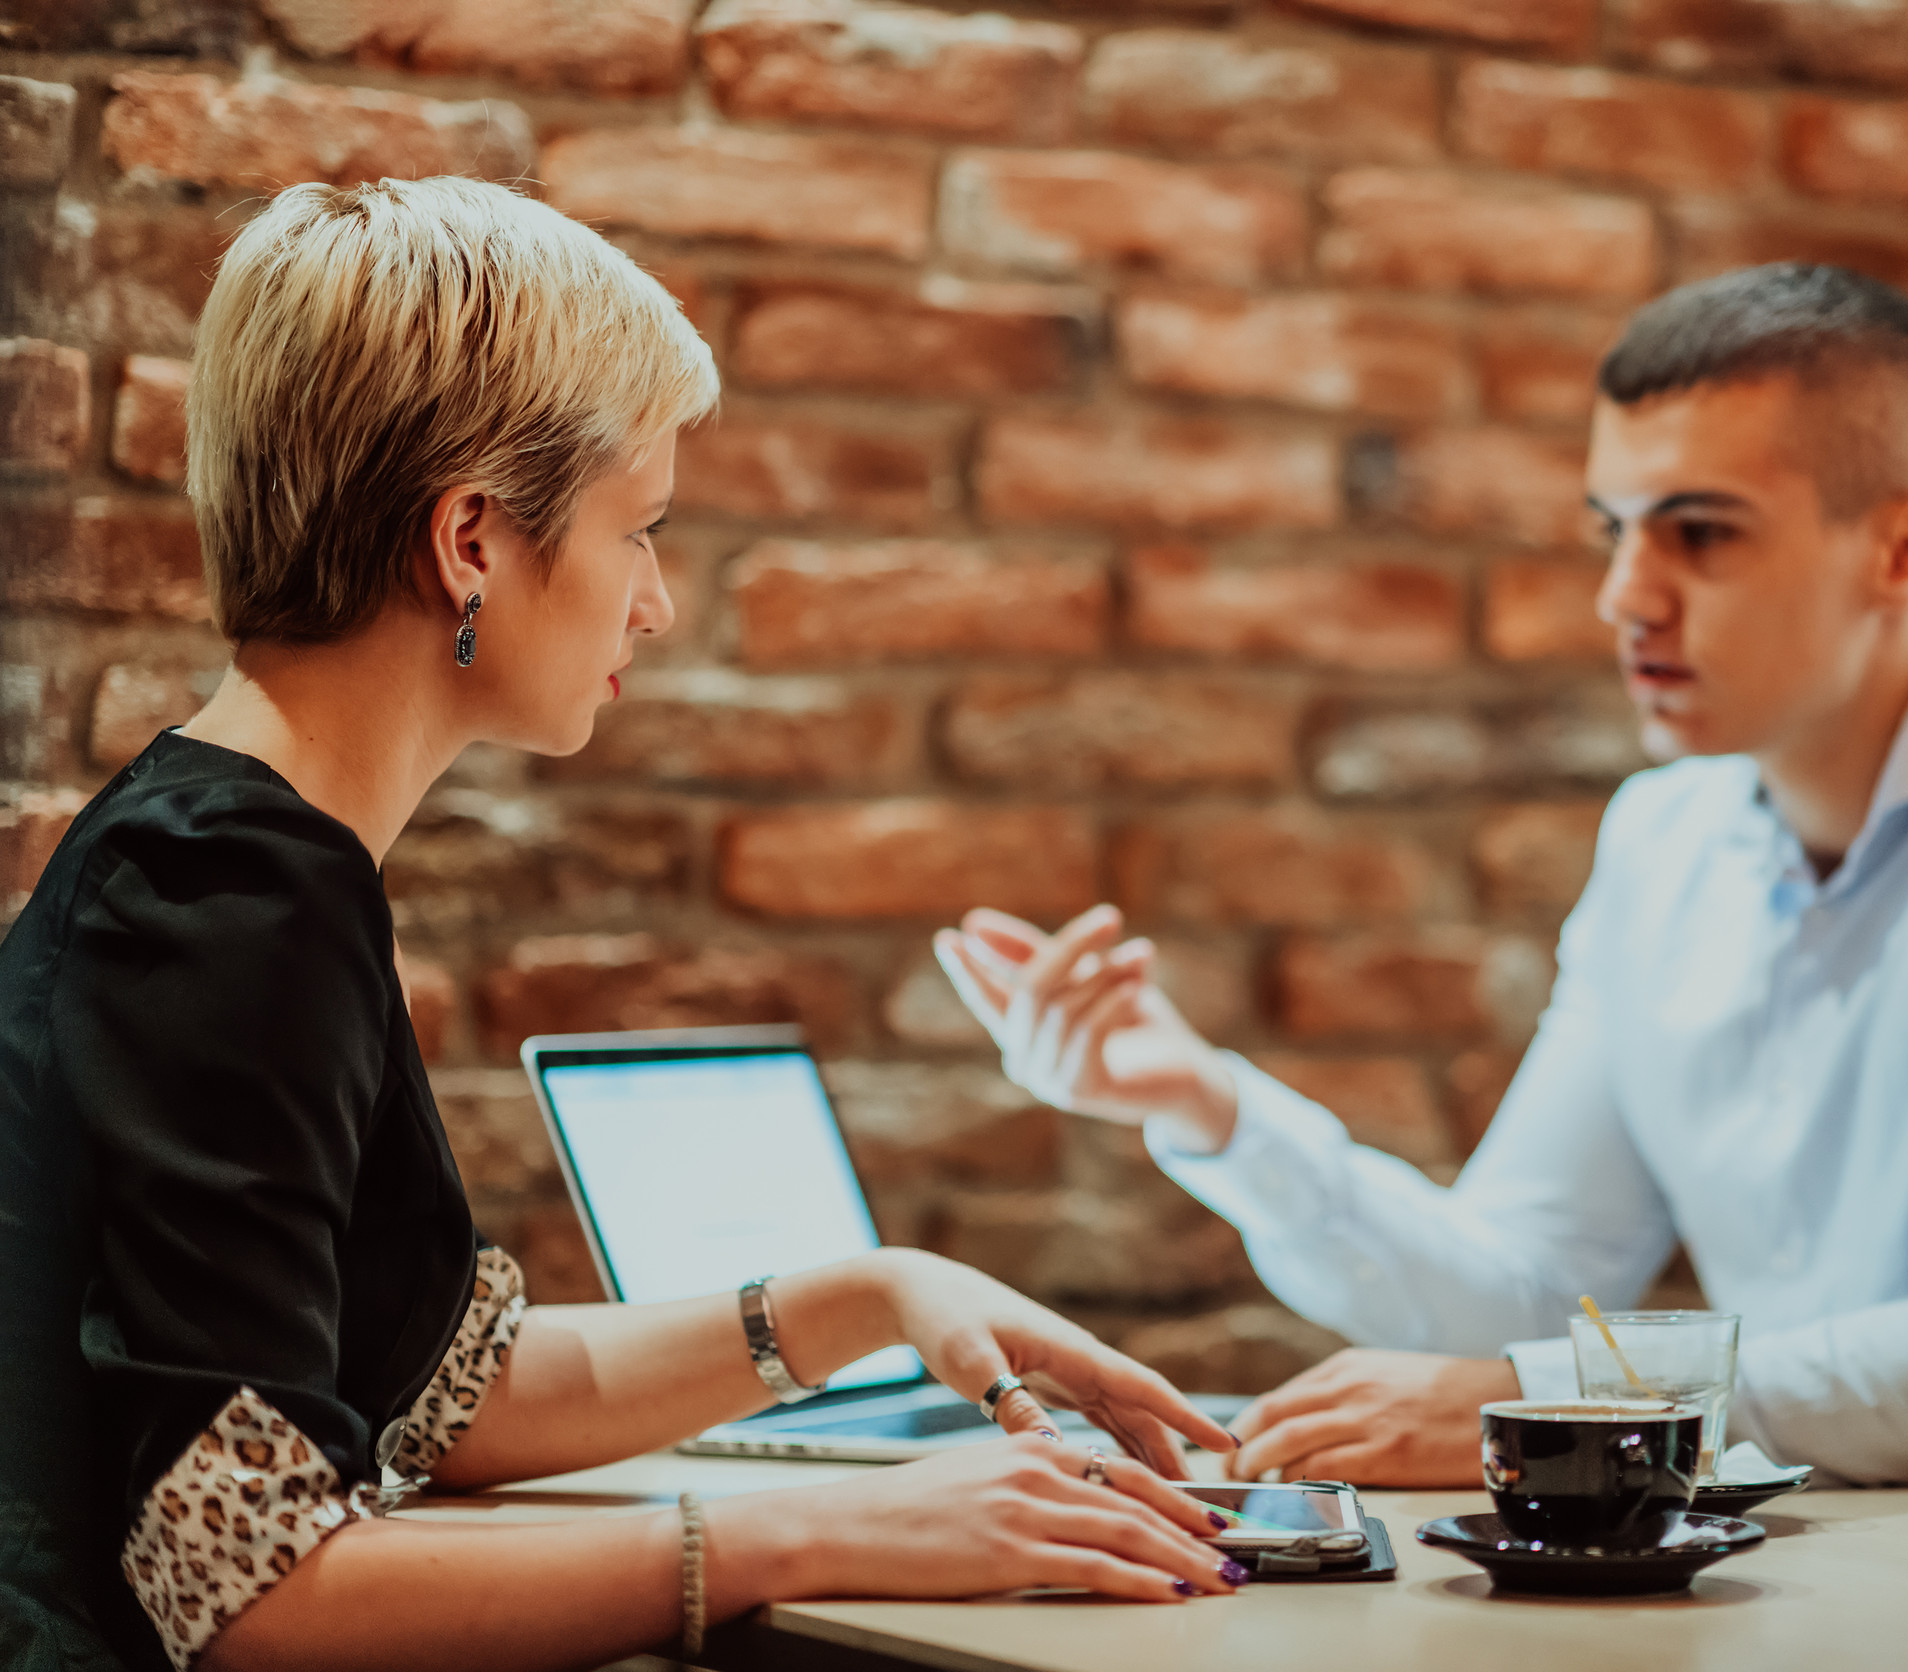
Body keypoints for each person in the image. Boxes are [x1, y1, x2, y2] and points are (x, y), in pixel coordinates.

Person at [0, 177, 1249, 1672]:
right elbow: (253, 1594)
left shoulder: (251, 858)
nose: (653, 604)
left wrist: (884, 1292)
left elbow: (443, 1391)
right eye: (637, 529)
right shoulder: (226, 901)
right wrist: (828, 1532)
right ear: (471, 539)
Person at [936, 264, 1908, 1489]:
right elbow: (1525, 1284)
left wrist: (1553, 1402)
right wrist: (1210, 1106)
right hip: (1782, 1594)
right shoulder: (1666, 834)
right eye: (1615, 530)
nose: (1626, 597)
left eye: (1699, 534)